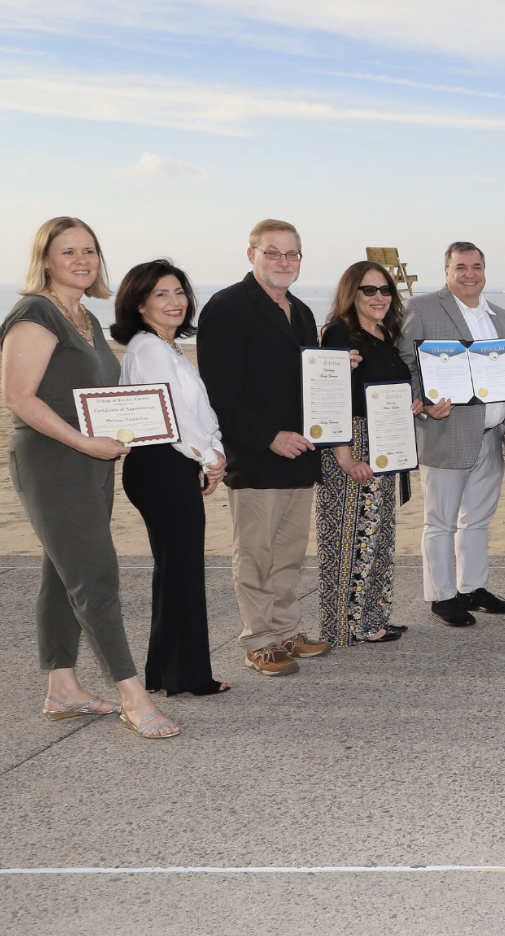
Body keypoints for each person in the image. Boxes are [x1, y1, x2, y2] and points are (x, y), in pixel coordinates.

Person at [1, 218, 178, 738]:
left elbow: (99, 396)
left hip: (93, 462)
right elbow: (18, 398)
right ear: (46, 259)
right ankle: (133, 697)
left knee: (63, 572)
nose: (82, 260)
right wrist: (84, 443)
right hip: (54, 462)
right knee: (96, 576)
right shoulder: (35, 313)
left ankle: (62, 688)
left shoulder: (85, 317)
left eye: (90, 251)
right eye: (68, 251)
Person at [198, 220, 331, 677]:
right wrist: (268, 437)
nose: (283, 262)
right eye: (273, 253)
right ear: (251, 253)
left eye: (292, 254)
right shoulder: (227, 307)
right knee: (256, 553)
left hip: (301, 452)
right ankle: (259, 640)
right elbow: (219, 392)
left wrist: (339, 368)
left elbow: (307, 378)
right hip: (256, 456)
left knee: (290, 551)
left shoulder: (302, 311)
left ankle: (287, 631)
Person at [112, 260, 230, 693]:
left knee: (175, 570)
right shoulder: (149, 348)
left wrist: (213, 449)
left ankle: (167, 673)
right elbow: (174, 414)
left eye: (178, 292)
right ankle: (188, 676)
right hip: (161, 463)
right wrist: (207, 455)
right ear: (140, 302)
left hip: (173, 461)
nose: (174, 301)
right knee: (180, 571)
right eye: (161, 294)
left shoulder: (167, 346)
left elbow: (200, 409)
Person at [398, 242, 505, 628]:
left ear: (485, 269)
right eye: (461, 266)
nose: (470, 274)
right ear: (447, 271)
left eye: (476, 266)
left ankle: (473, 588)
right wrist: (423, 402)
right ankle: (442, 596)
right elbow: (404, 364)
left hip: (491, 432)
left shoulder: (500, 316)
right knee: (441, 520)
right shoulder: (424, 307)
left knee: (478, 519)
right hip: (445, 431)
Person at [317, 261, 422, 646]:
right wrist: (344, 456)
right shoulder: (340, 333)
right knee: (349, 539)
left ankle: (373, 619)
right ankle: (345, 627)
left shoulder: (384, 331)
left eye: (385, 290)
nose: (379, 297)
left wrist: (409, 403)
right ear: (351, 293)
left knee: (377, 536)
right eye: (368, 290)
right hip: (354, 443)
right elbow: (330, 396)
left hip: (385, 442)